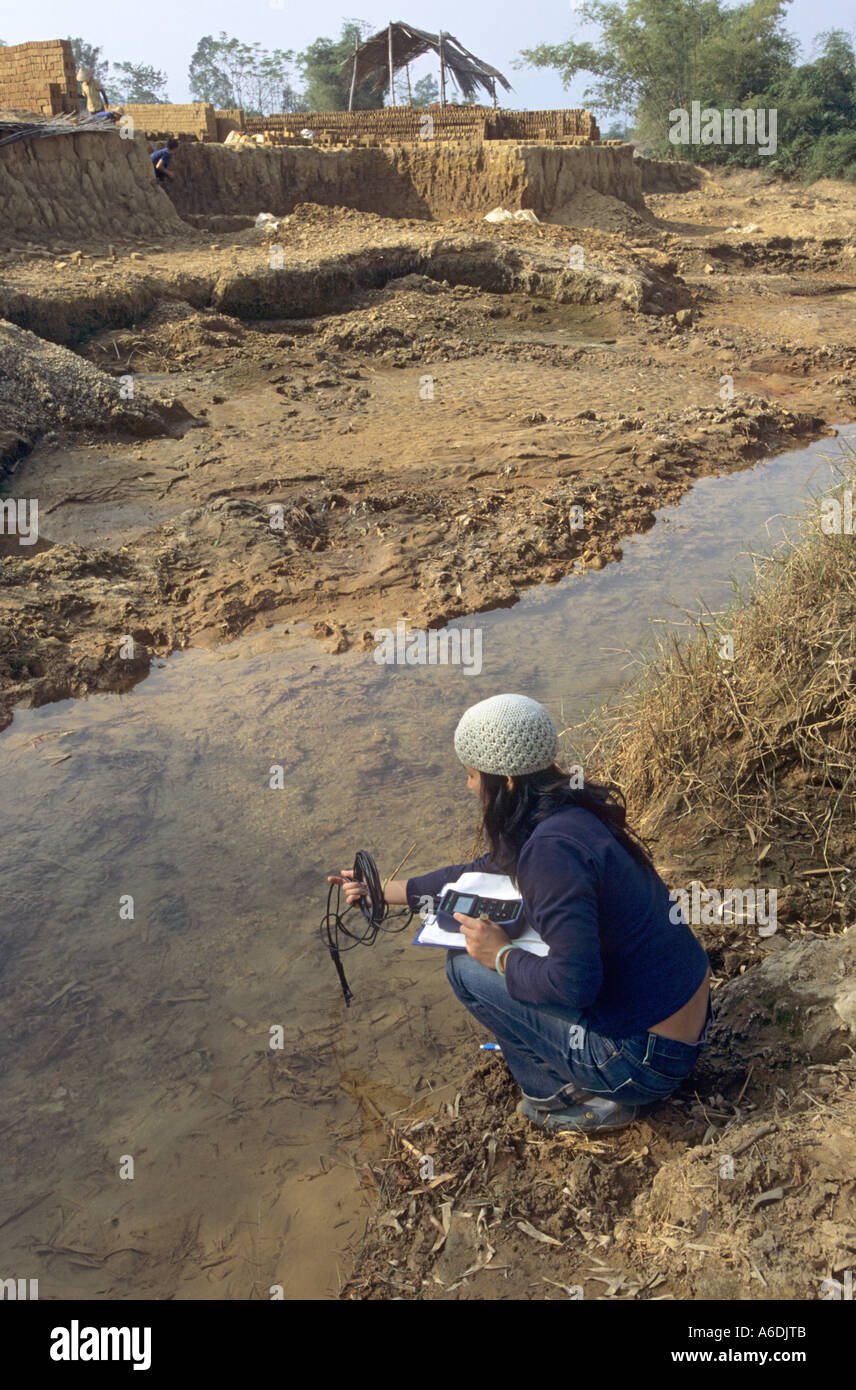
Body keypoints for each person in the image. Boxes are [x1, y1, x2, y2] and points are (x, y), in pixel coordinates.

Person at [329, 693, 712, 1134]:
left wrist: (501, 957)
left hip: (646, 1063)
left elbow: (576, 986)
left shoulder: (550, 853)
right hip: (686, 1019)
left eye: (472, 776)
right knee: (508, 951)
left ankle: (556, 1098)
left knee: (465, 969)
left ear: (507, 781)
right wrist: (382, 892)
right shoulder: (570, 807)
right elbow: (478, 872)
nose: (468, 787)